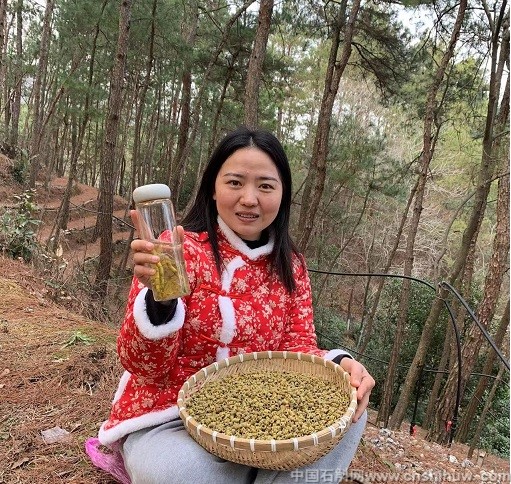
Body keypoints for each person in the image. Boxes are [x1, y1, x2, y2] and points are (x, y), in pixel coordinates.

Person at [91, 126, 375, 484]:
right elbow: (144, 367)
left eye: (266, 186)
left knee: (351, 405)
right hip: (171, 417)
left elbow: (297, 346)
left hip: (262, 415)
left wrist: (340, 362)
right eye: (235, 183)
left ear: (283, 194)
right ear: (213, 188)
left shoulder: (291, 265)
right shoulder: (175, 250)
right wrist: (161, 304)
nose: (249, 199)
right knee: (174, 473)